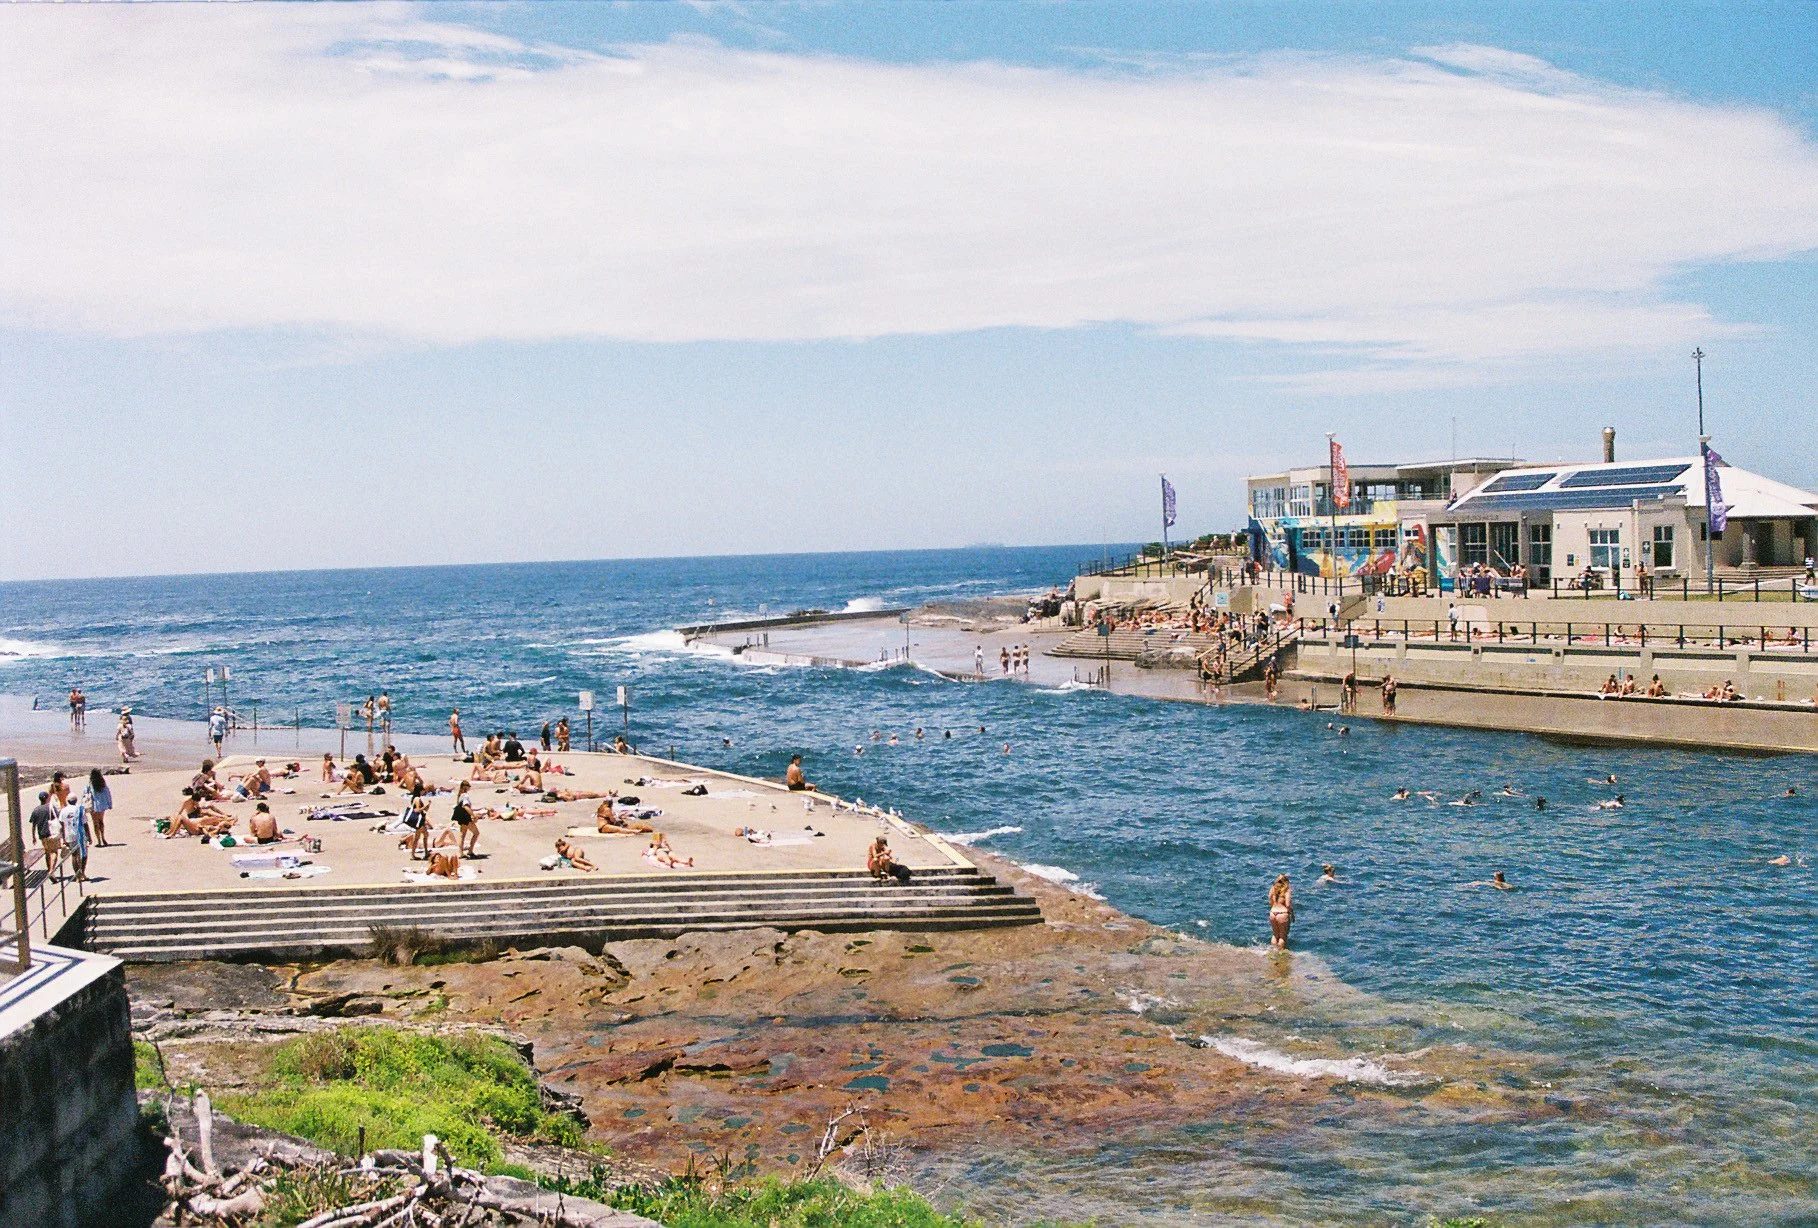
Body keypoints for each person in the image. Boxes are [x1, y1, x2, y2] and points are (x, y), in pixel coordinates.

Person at [29, 792, 62, 878]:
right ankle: (51, 871)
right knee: (54, 852)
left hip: (42, 835)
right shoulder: (51, 807)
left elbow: (33, 825)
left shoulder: (36, 810)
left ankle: (49, 869)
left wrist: (33, 837)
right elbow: (58, 818)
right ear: (47, 798)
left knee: (47, 852)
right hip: (52, 833)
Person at [59, 793, 90, 884]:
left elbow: (62, 824)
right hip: (80, 834)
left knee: (74, 855)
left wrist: (64, 838)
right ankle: (82, 872)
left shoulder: (63, 811)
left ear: (67, 801)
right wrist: (89, 836)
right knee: (84, 854)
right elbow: (85, 823)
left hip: (70, 835)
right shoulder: (80, 809)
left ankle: (77, 876)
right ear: (76, 800)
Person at [82, 768, 113, 847]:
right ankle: (103, 838)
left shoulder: (90, 785)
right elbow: (107, 794)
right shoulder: (103, 784)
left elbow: (85, 795)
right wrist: (109, 804)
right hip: (102, 805)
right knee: (101, 822)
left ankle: (99, 841)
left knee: (95, 823)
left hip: (93, 806)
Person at [1268, 874, 1293, 947]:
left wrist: (1273, 905)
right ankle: (1280, 954)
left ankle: (1273, 950)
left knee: (1275, 934)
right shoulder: (1286, 890)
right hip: (1282, 913)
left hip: (1273, 912)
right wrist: (1292, 913)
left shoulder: (1273, 888)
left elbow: (1269, 898)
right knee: (1282, 936)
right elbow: (1288, 905)